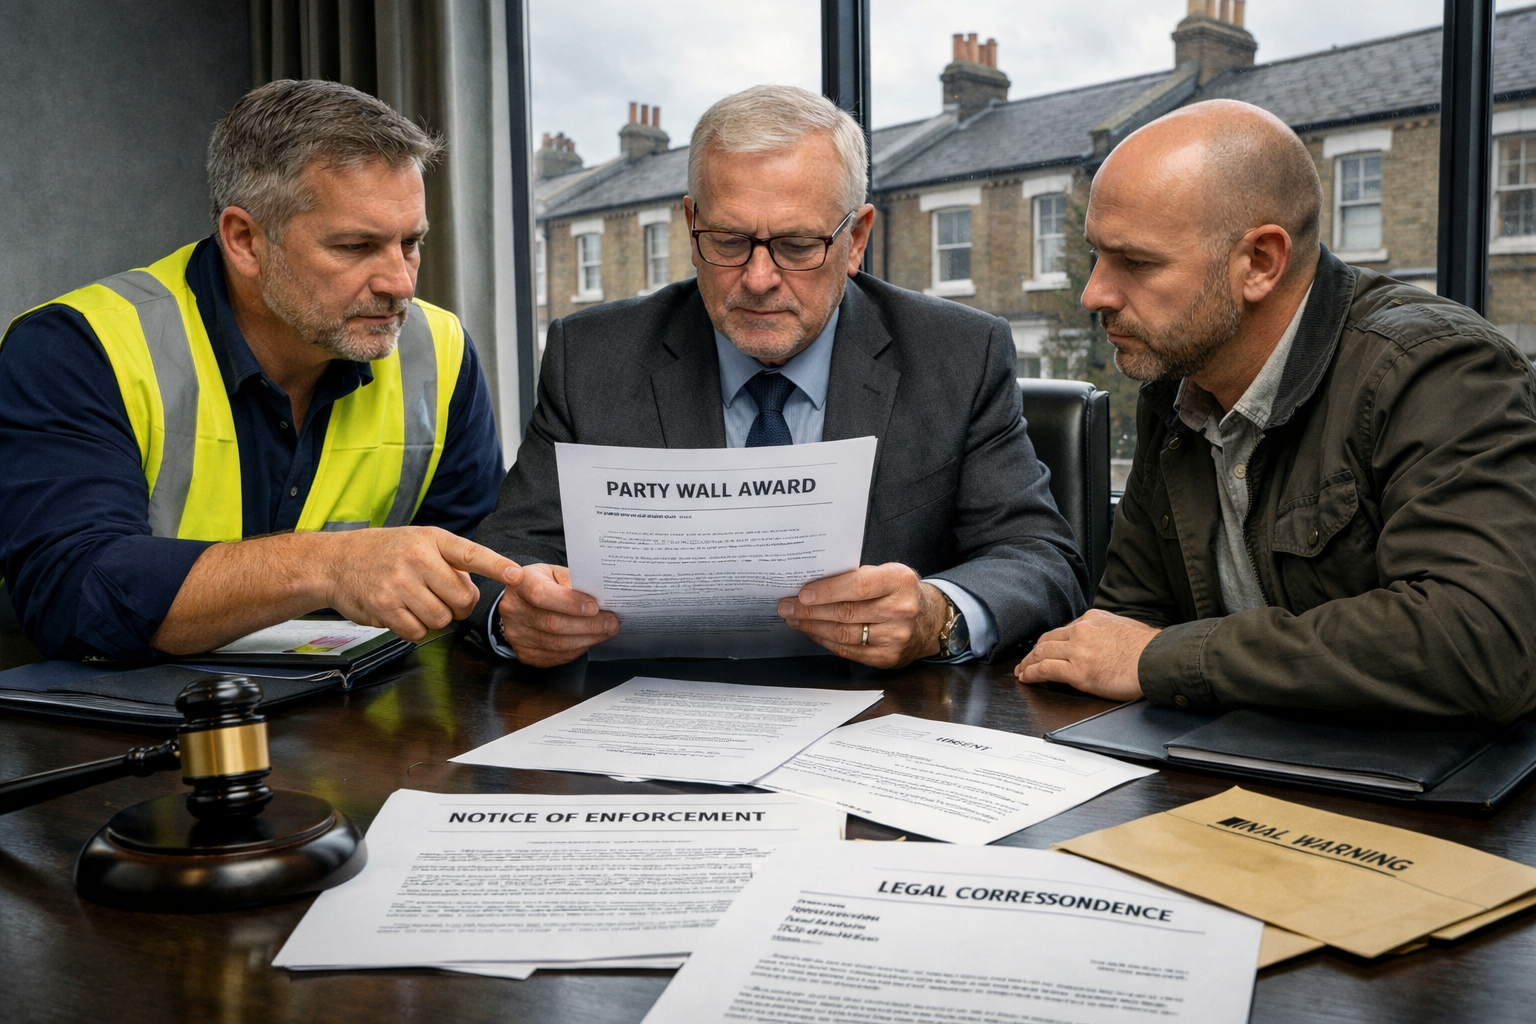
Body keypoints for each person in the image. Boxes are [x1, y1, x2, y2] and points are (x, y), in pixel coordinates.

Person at [470, 84, 1087, 669]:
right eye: (730, 241)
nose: (759, 279)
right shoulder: (593, 356)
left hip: (881, 723)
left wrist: (936, 615)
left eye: (796, 246)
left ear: (856, 239)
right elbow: (501, 559)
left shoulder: (958, 353)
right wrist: (515, 613)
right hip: (650, 712)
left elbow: (1040, 561)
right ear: (691, 227)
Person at [1016, 99, 1536, 722]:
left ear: (1261, 262)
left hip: (1428, 796)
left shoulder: (1435, 368)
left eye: (1137, 262)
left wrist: (1166, 661)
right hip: (1245, 766)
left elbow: (1482, 643)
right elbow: (1128, 617)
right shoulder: (1178, 380)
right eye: (1098, 255)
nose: (1093, 293)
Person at [0, 80, 521, 661]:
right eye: (356, 246)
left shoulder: (438, 349)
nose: (399, 282)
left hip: (346, 723)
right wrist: (331, 565)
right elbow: (74, 597)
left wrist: (516, 614)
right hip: (103, 729)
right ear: (244, 239)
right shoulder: (76, 346)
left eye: (411, 243)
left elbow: (469, 565)